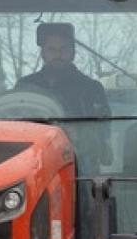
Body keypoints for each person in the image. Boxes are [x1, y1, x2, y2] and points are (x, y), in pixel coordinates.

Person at [15, 23, 112, 168]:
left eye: (64, 49)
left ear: (73, 52)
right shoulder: (25, 86)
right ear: (43, 53)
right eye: (51, 49)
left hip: (78, 161)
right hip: (34, 159)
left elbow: (104, 130)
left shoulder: (91, 88)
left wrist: (79, 134)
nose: (58, 54)